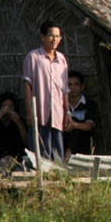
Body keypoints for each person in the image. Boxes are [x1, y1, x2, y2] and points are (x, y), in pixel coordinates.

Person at [22, 20, 70, 163]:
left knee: (57, 152)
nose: (55, 40)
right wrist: (30, 112)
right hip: (40, 112)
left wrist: (67, 112)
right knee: (39, 151)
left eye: (58, 36)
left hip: (57, 112)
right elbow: (27, 85)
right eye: (51, 36)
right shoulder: (34, 57)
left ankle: (57, 179)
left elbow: (65, 88)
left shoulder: (61, 59)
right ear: (42, 37)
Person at [0, 92, 29, 175]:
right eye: (4, 106)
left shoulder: (19, 122)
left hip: (12, 155)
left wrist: (19, 123)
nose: (7, 110)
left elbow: (26, 142)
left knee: (3, 169)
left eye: (11, 107)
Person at [64, 70, 100, 159]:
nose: (73, 88)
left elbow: (89, 125)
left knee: (76, 125)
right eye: (69, 85)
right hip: (65, 138)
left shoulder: (90, 104)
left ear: (82, 87)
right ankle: (67, 151)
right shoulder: (61, 105)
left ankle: (68, 152)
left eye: (76, 85)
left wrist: (75, 125)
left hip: (83, 142)